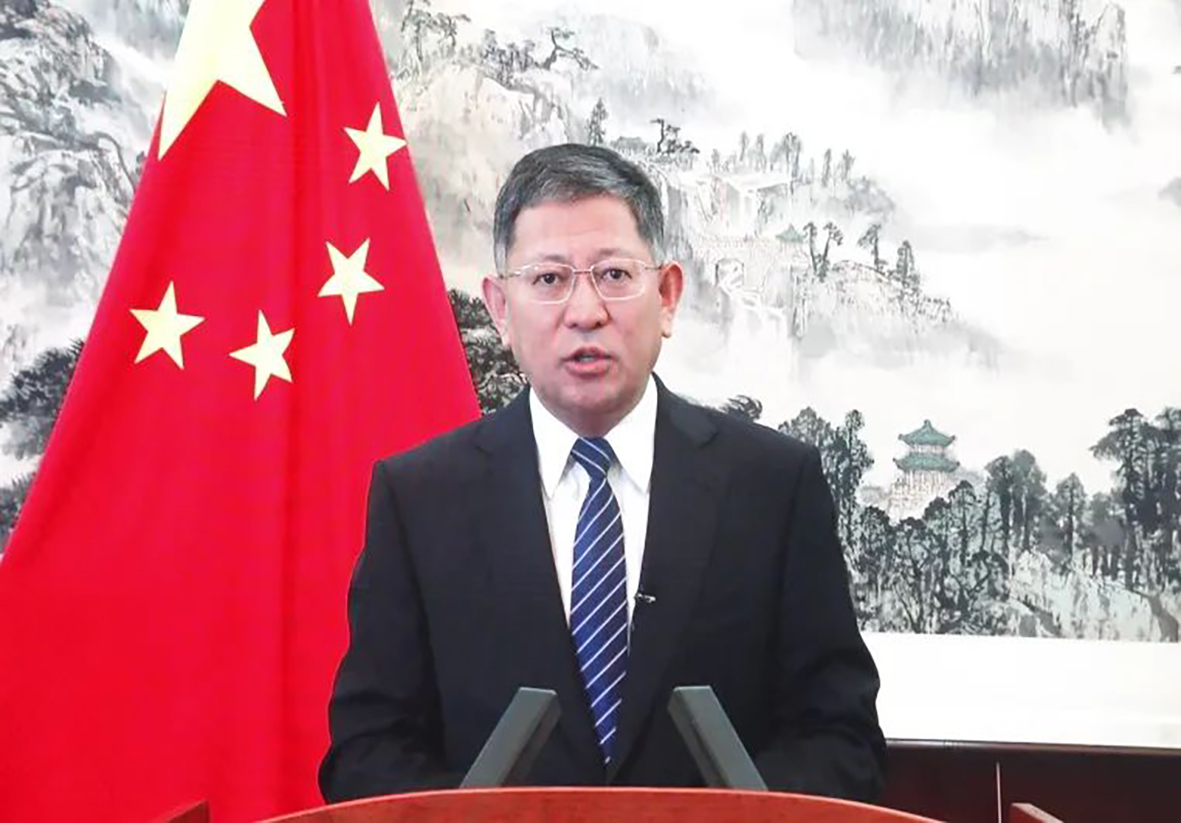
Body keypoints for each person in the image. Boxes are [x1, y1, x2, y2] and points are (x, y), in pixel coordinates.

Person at [319, 144, 885, 802]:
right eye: (548, 279)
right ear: (500, 308)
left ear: (667, 296)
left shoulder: (774, 486)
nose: (585, 311)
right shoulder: (420, 497)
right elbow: (368, 751)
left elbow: (839, 738)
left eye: (614, 274)